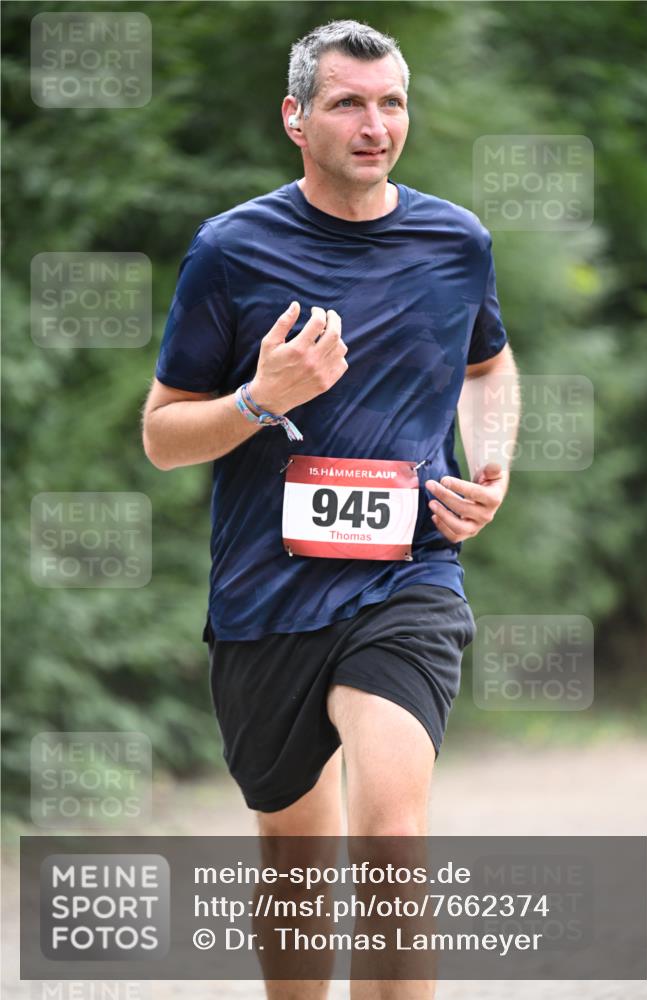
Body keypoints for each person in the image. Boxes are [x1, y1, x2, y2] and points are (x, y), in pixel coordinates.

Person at [142, 18, 520, 1000]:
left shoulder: (455, 241)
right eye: (348, 102)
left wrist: (492, 466)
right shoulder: (231, 251)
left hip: (407, 573)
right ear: (295, 117)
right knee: (298, 860)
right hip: (265, 597)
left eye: (390, 101)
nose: (374, 123)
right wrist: (261, 397)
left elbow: (489, 364)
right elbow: (161, 433)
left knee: (394, 836)